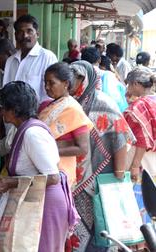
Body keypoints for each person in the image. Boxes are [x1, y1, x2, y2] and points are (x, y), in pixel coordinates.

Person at [0, 81, 79, 252]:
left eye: (4, 107)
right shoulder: (23, 129)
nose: (1, 111)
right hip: (38, 199)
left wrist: (11, 182)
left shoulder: (32, 134)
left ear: (15, 109)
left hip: (48, 203)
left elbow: (52, 177)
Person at [69, 60, 135, 251]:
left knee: (99, 222)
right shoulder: (69, 104)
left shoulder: (103, 104)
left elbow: (121, 138)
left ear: (87, 78)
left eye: (78, 77)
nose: (72, 82)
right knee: (77, 226)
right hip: (74, 177)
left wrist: (119, 174)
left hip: (100, 177)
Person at [39, 63, 92, 186]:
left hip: (60, 172)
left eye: (51, 83)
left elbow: (82, 148)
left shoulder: (73, 109)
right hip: (44, 168)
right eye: (45, 83)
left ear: (66, 84)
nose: (46, 87)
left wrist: (50, 151)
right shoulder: (47, 105)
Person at [3, 14, 58, 103]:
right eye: (20, 32)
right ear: (16, 35)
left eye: (29, 31)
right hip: (13, 115)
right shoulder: (11, 61)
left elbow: (53, 94)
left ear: (37, 34)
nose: (25, 36)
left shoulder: (47, 57)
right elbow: (5, 91)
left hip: (39, 114)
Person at [124, 69, 156, 180]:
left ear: (136, 84)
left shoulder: (138, 106)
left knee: (140, 193)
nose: (127, 88)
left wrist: (135, 166)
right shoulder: (153, 99)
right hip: (153, 158)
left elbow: (142, 139)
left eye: (128, 84)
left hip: (143, 158)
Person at [81, 47, 128, 112]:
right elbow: (116, 100)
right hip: (102, 113)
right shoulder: (107, 75)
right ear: (99, 60)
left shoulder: (80, 74)